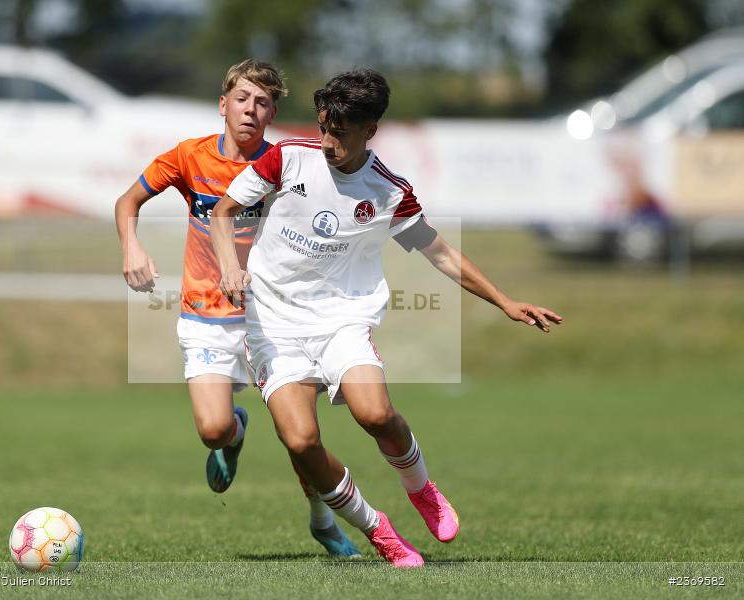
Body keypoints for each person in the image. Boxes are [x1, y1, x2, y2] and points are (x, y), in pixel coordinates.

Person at [211, 69, 563, 567]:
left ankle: (421, 488)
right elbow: (224, 211)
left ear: (370, 131)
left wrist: (504, 301)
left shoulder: (388, 192)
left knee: (375, 414)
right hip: (272, 324)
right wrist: (230, 264)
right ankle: (378, 529)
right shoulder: (288, 157)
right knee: (300, 440)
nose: (329, 142)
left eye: (342, 133)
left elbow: (439, 253)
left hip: (342, 320)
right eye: (324, 127)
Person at [114, 59, 360, 558]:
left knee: (300, 439)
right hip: (204, 315)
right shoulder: (189, 157)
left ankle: (324, 522)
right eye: (243, 98)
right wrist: (131, 249)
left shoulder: (285, 165)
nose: (251, 109)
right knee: (212, 430)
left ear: (272, 114)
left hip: (271, 320)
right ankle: (235, 431)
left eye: (263, 102)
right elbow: (127, 202)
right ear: (223, 105)